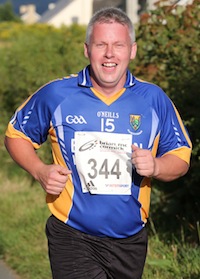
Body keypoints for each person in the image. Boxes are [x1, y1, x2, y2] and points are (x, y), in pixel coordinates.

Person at [4, 7, 192, 279]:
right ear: (86, 49)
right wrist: (39, 171)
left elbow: (180, 156)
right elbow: (16, 135)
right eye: (100, 45)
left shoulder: (154, 99)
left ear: (133, 50)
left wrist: (156, 165)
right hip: (72, 234)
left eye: (119, 45)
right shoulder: (57, 94)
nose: (109, 54)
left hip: (130, 240)